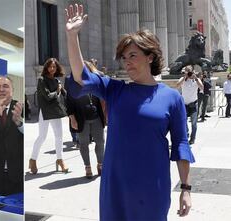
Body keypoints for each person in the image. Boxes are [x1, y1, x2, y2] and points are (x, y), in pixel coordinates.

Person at [65, 4, 195, 220]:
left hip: (152, 186)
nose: (127, 62)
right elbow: (81, 77)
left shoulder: (172, 98)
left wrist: (186, 188)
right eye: (124, 58)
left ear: (150, 57)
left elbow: (181, 144)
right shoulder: (114, 90)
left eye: (132, 55)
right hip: (116, 185)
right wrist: (72, 37)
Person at [65, 60, 106, 179]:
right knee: (83, 144)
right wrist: (72, 118)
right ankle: (87, 166)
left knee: (100, 142)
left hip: (96, 116)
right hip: (81, 118)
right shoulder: (71, 81)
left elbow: (102, 97)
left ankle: (100, 164)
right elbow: (69, 101)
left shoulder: (94, 81)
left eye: (87, 69)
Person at [29, 58, 68, 174]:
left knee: (59, 137)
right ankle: (33, 159)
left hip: (55, 111)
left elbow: (65, 94)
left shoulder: (57, 81)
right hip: (45, 112)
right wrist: (57, 91)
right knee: (42, 137)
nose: (52, 69)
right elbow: (47, 96)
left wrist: (62, 89)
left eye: (54, 67)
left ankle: (60, 160)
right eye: (50, 66)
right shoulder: (41, 80)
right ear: (46, 67)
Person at [177, 65, 203, 144]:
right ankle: (187, 134)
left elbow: (202, 87)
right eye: (186, 70)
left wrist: (195, 78)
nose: (188, 72)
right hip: (184, 105)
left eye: (189, 71)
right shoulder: (183, 79)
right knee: (183, 122)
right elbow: (177, 85)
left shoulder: (196, 80)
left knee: (194, 123)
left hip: (193, 104)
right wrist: (185, 77)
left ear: (193, 71)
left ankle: (192, 138)